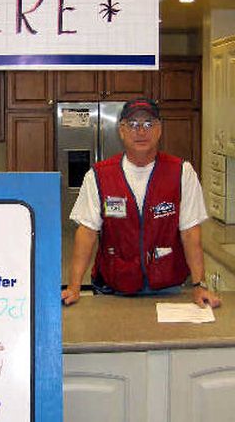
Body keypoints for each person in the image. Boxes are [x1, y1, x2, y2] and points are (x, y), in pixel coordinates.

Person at [61, 97, 221, 309]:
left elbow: (190, 232)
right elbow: (87, 232)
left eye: (148, 124)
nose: (141, 131)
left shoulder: (181, 173)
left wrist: (199, 285)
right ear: (122, 130)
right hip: (113, 289)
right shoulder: (99, 176)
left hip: (169, 288)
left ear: (159, 130)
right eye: (133, 124)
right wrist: (74, 286)